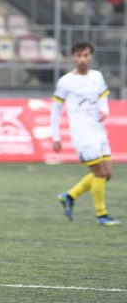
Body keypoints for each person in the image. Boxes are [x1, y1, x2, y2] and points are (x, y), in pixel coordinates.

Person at [53, 42, 120, 226]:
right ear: (73, 57)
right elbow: (56, 109)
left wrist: (105, 110)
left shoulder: (97, 76)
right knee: (99, 173)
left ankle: (70, 195)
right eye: (79, 55)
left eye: (86, 55)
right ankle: (101, 215)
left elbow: (103, 96)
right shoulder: (66, 81)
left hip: (99, 131)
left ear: (91, 57)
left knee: (107, 174)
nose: (82, 59)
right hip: (82, 134)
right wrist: (56, 136)